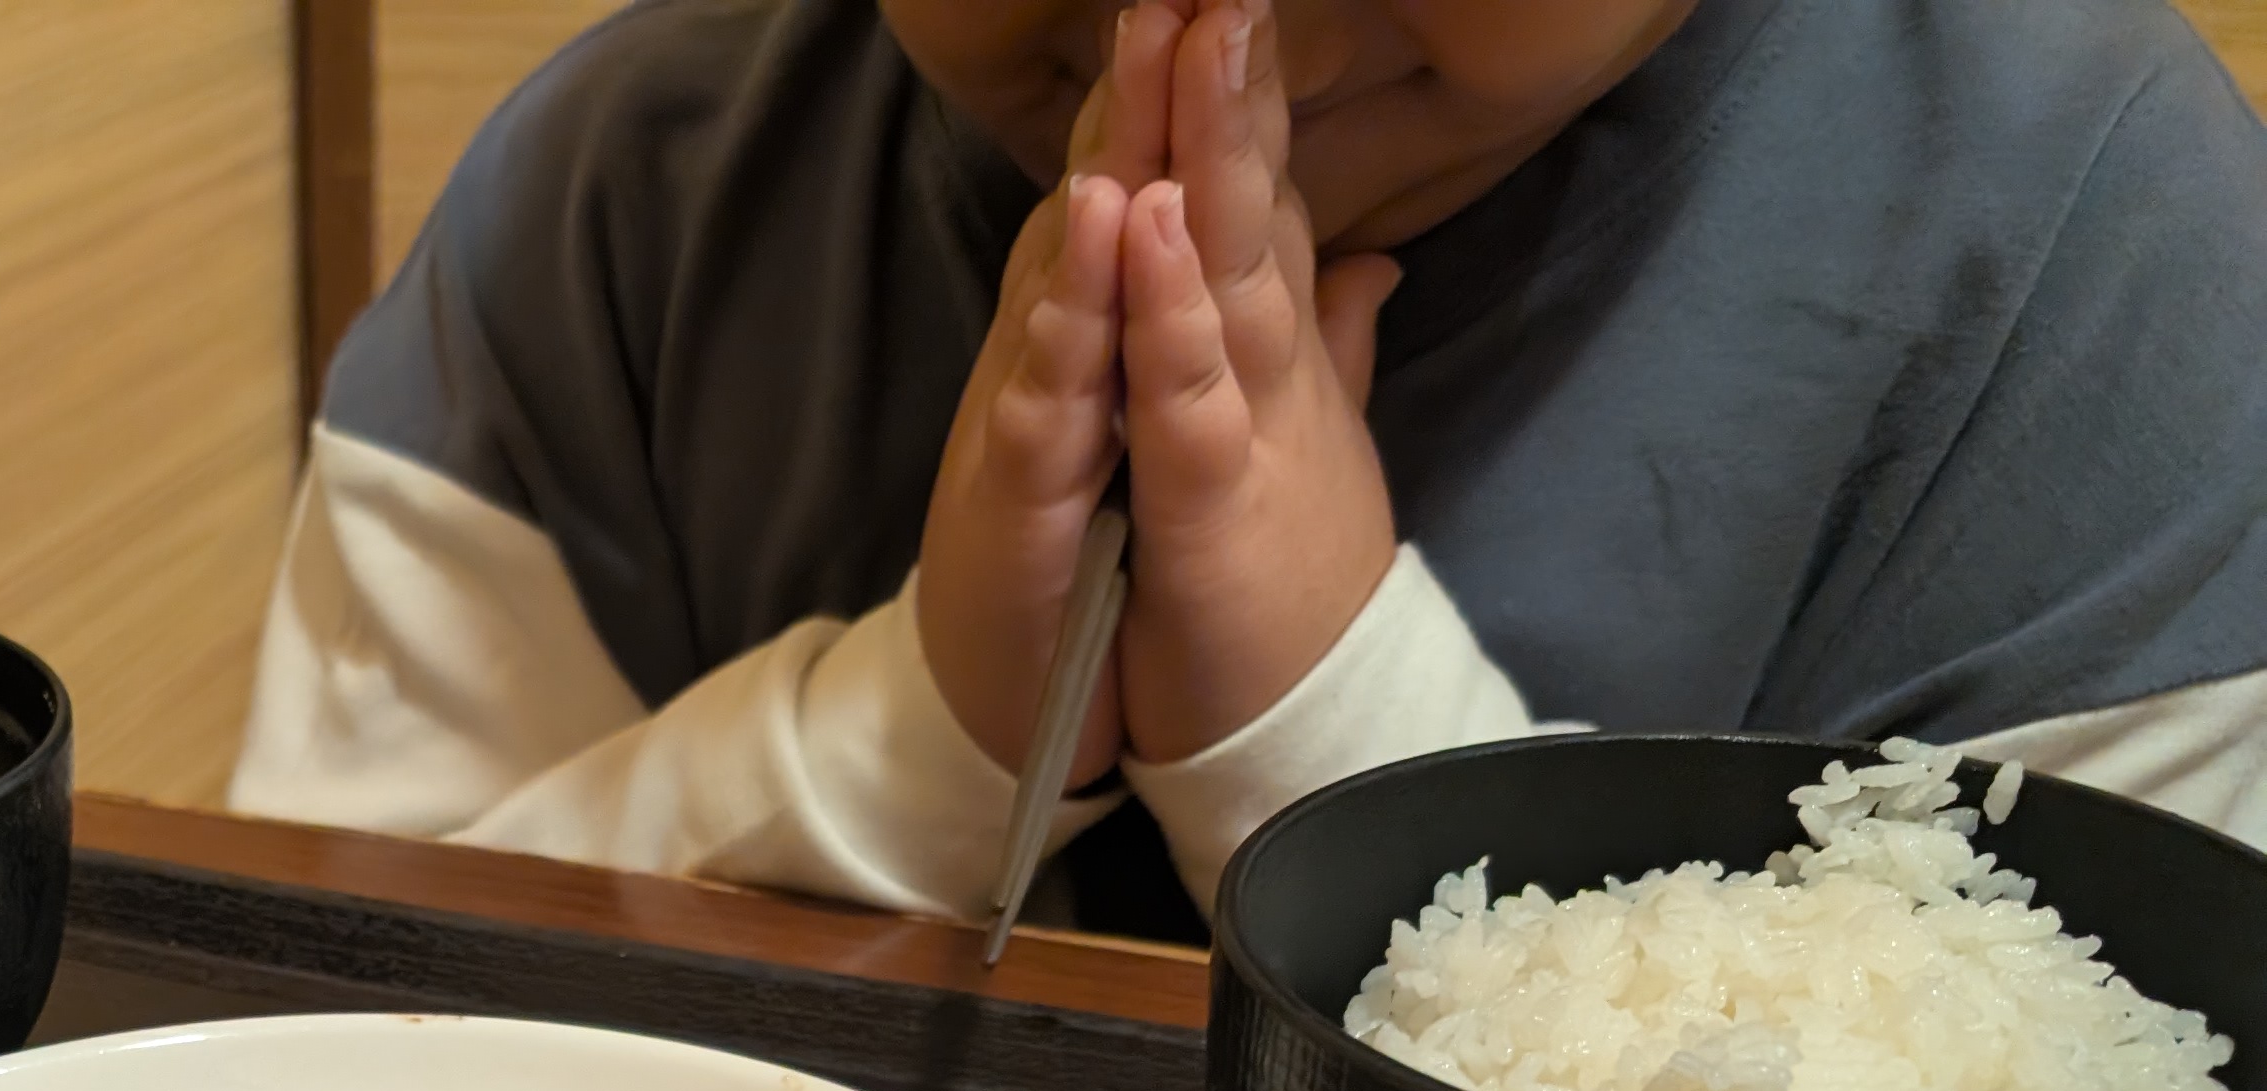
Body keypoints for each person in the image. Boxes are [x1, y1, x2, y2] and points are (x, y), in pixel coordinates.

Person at [227, 0, 2267, 928]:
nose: (1189, 32)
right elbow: (303, 1014)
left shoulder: (2094, 256)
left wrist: (1324, 726)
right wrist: (913, 733)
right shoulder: (624, 197)